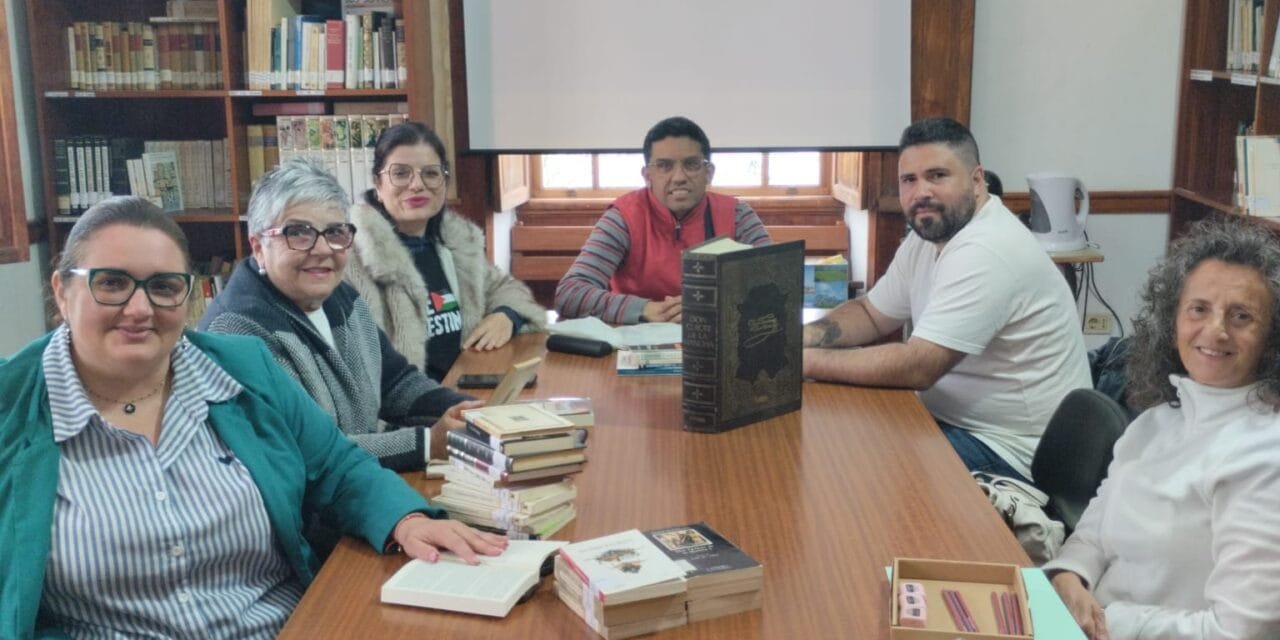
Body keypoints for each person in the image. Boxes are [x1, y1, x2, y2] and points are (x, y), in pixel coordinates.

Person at [0, 196, 506, 638]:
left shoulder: (243, 368)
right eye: (112, 283)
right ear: (62, 292)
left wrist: (405, 519)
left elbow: (336, 466)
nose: (139, 308)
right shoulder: (10, 408)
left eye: (164, 286)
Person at [802, 117, 1090, 482]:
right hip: (948, 421)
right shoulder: (928, 236)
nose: (921, 192)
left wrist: (804, 363)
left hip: (1012, 451)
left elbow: (919, 367)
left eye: (937, 176)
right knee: (839, 442)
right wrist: (802, 339)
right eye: (909, 180)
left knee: (855, 469)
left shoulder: (987, 248)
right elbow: (871, 314)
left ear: (976, 180)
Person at [1043, 216, 1280, 640]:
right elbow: (1094, 532)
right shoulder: (1156, 421)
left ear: (1271, 339)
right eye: (1199, 309)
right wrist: (1068, 578)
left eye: (1241, 316)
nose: (1216, 330)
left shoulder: (1266, 455)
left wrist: (1104, 619)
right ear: (1173, 322)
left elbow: (1239, 633)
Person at [200, 159, 474, 472]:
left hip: (362, 481)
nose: (322, 249)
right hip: (309, 500)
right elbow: (303, 451)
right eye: (298, 233)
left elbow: (395, 383)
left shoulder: (341, 297)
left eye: (334, 232)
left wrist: (465, 410)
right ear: (259, 247)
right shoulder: (235, 334)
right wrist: (426, 444)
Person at [345, 122, 546, 382]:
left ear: (445, 181)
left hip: (465, 386)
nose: (417, 185)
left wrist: (507, 315)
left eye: (430, 173)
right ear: (378, 184)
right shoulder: (352, 261)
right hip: (408, 403)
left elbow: (505, 288)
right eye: (401, 173)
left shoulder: (455, 244)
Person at [554, 116, 772, 325]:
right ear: (647, 176)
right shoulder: (623, 217)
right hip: (633, 337)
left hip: (717, 335)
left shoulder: (737, 216)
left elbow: (777, 282)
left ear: (709, 172)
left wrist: (709, 305)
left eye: (691, 164)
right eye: (664, 166)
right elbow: (570, 293)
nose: (679, 177)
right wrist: (645, 309)